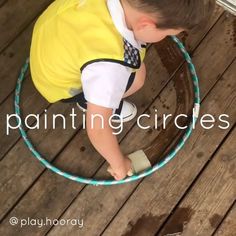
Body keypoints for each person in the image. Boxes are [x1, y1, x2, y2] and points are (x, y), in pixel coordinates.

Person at [29, 0, 215, 181]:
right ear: (146, 26)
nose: (168, 36)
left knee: (136, 69)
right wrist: (119, 164)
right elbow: (98, 128)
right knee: (137, 78)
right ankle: (89, 102)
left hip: (51, 38)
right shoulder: (108, 67)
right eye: (168, 33)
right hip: (60, 85)